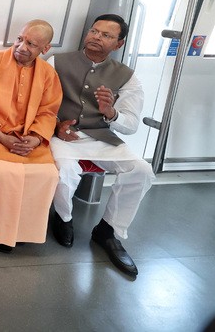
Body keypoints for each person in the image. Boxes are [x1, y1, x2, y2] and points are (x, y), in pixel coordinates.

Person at [49, 14, 153, 277]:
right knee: (64, 171)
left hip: (102, 137)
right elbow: (38, 102)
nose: (97, 37)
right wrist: (56, 124)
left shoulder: (128, 77)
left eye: (106, 35)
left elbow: (130, 124)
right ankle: (63, 219)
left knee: (140, 170)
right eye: (94, 31)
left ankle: (108, 231)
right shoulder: (56, 62)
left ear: (118, 44)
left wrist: (111, 113)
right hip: (64, 135)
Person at [0, 19, 62, 252]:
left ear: (45, 49)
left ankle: (23, 231)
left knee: (46, 173)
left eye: (31, 44)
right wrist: (1, 136)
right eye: (20, 39)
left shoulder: (48, 73)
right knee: (2, 172)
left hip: (28, 137)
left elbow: (48, 111)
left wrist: (37, 138)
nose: (21, 47)